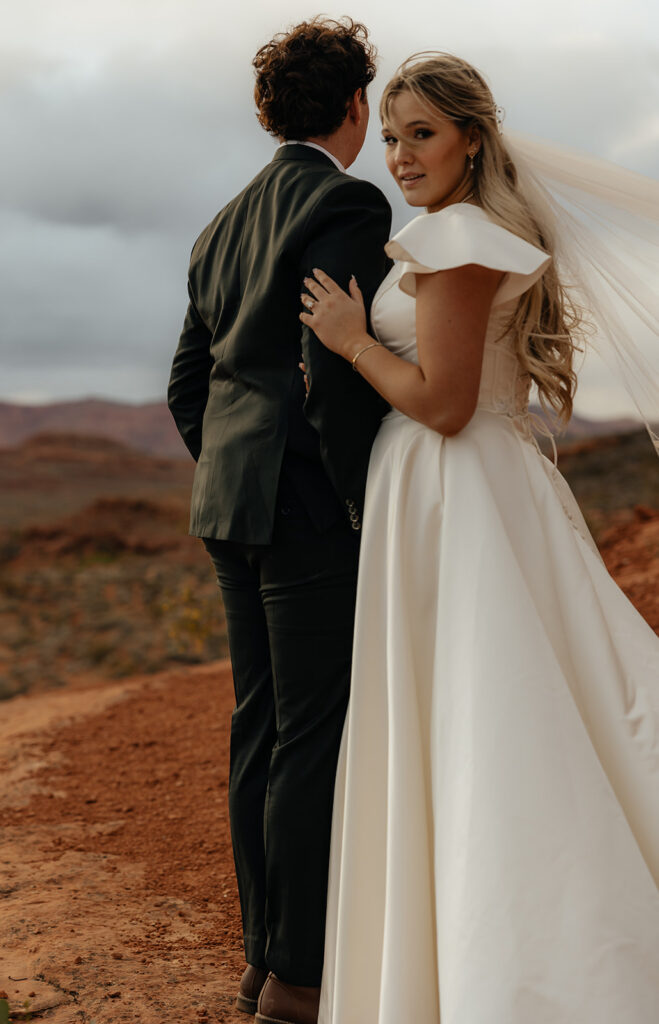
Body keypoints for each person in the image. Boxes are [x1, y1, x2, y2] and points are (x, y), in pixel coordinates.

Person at [300, 52, 659, 1024]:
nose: (401, 154)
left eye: (421, 133)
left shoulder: (456, 239)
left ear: (469, 136)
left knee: (483, 713)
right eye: (389, 136)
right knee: (496, 703)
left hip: (452, 490)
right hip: (458, 493)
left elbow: (444, 404)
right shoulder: (450, 231)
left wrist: (349, 339)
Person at [167, 17, 392, 1024]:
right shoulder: (345, 200)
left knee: (256, 726)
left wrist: (228, 467)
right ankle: (299, 978)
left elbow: (188, 382)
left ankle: (261, 959)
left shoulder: (220, 223)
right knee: (312, 732)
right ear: (353, 106)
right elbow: (329, 371)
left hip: (228, 503)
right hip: (304, 503)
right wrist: (356, 492)